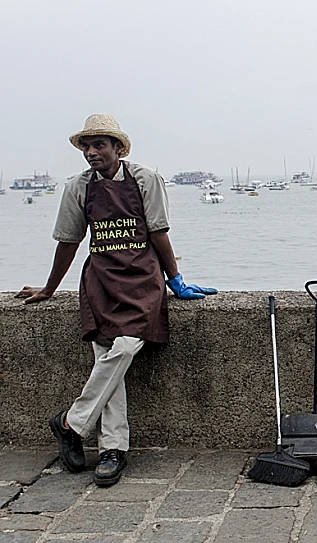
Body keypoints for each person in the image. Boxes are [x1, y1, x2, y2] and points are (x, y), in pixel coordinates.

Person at [16, 114, 217, 486]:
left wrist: (175, 280)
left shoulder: (145, 180)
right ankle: (113, 450)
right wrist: (49, 288)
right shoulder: (78, 187)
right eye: (86, 147)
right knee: (106, 360)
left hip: (142, 280)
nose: (92, 153)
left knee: (124, 348)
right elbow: (69, 241)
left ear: (117, 148)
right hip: (101, 280)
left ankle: (70, 423)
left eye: (99, 145)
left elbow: (158, 232)